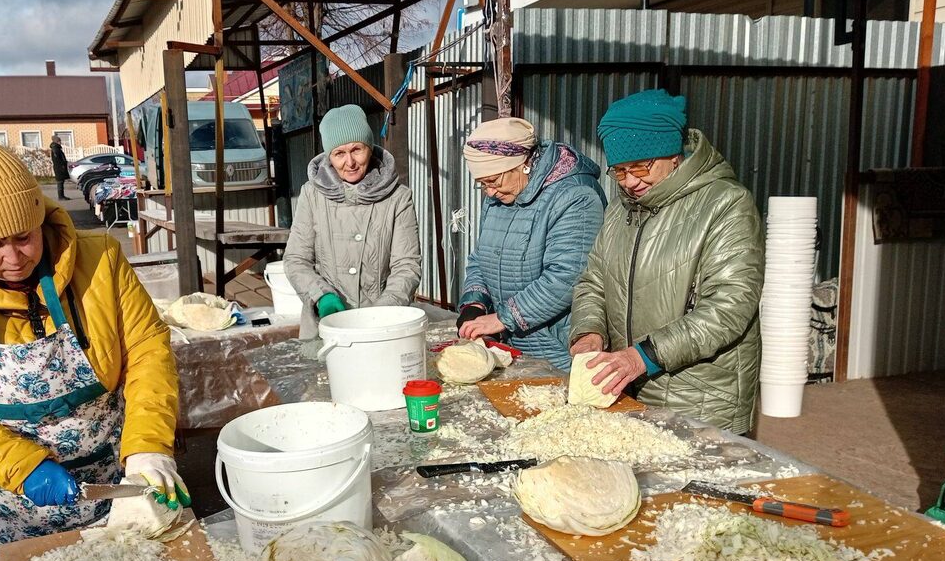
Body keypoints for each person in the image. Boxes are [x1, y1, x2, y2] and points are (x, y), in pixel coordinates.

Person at [0, 125, 183, 561]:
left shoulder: (101, 259)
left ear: (40, 218)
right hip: (6, 499)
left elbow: (148, 352)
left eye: (23, 237)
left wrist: (148, 446)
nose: (13, 258)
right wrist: (23, 468)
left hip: (113, 481)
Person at [569, 88, 763, 434]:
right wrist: (589, 332)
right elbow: (594, 281)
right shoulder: (621, 209)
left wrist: (643, 356)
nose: (630, 182)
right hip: (628, 387)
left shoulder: (726, 204)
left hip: (699, 397)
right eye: (619, 171)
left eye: (640, 167)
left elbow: (730, 305)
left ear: (673, 154)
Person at [456, 117, 606, 370]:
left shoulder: (575, 196)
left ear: (522, 164)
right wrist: (475, 303)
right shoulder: (498, 198)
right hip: (510, 345)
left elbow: (567, 276)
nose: (490, 192)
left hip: (557, 350)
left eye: (494, 181)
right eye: (482, 184)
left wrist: (503, 318)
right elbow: (481, 257)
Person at [283, 104, 421, 339]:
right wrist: (321, 295)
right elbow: (296, 259)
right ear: (329, 157)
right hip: (325, 325)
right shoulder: (312, 195)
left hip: (382, 328)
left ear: (370, 148)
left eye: (357, 149)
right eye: (339, 153)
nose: (350, 162)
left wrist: (381, 312)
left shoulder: (398, 197)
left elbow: (406, 265)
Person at [51, 134, 70, 201]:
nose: (60, 142)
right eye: (59, 141)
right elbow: (57, 159)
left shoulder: (56, 148)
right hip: (59, 168)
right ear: (57, 141)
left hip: (59, 167)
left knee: (61, 182)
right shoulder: (55, 149)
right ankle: (61, 196)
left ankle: (62, 196)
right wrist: (62, 165)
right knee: (60, 182)